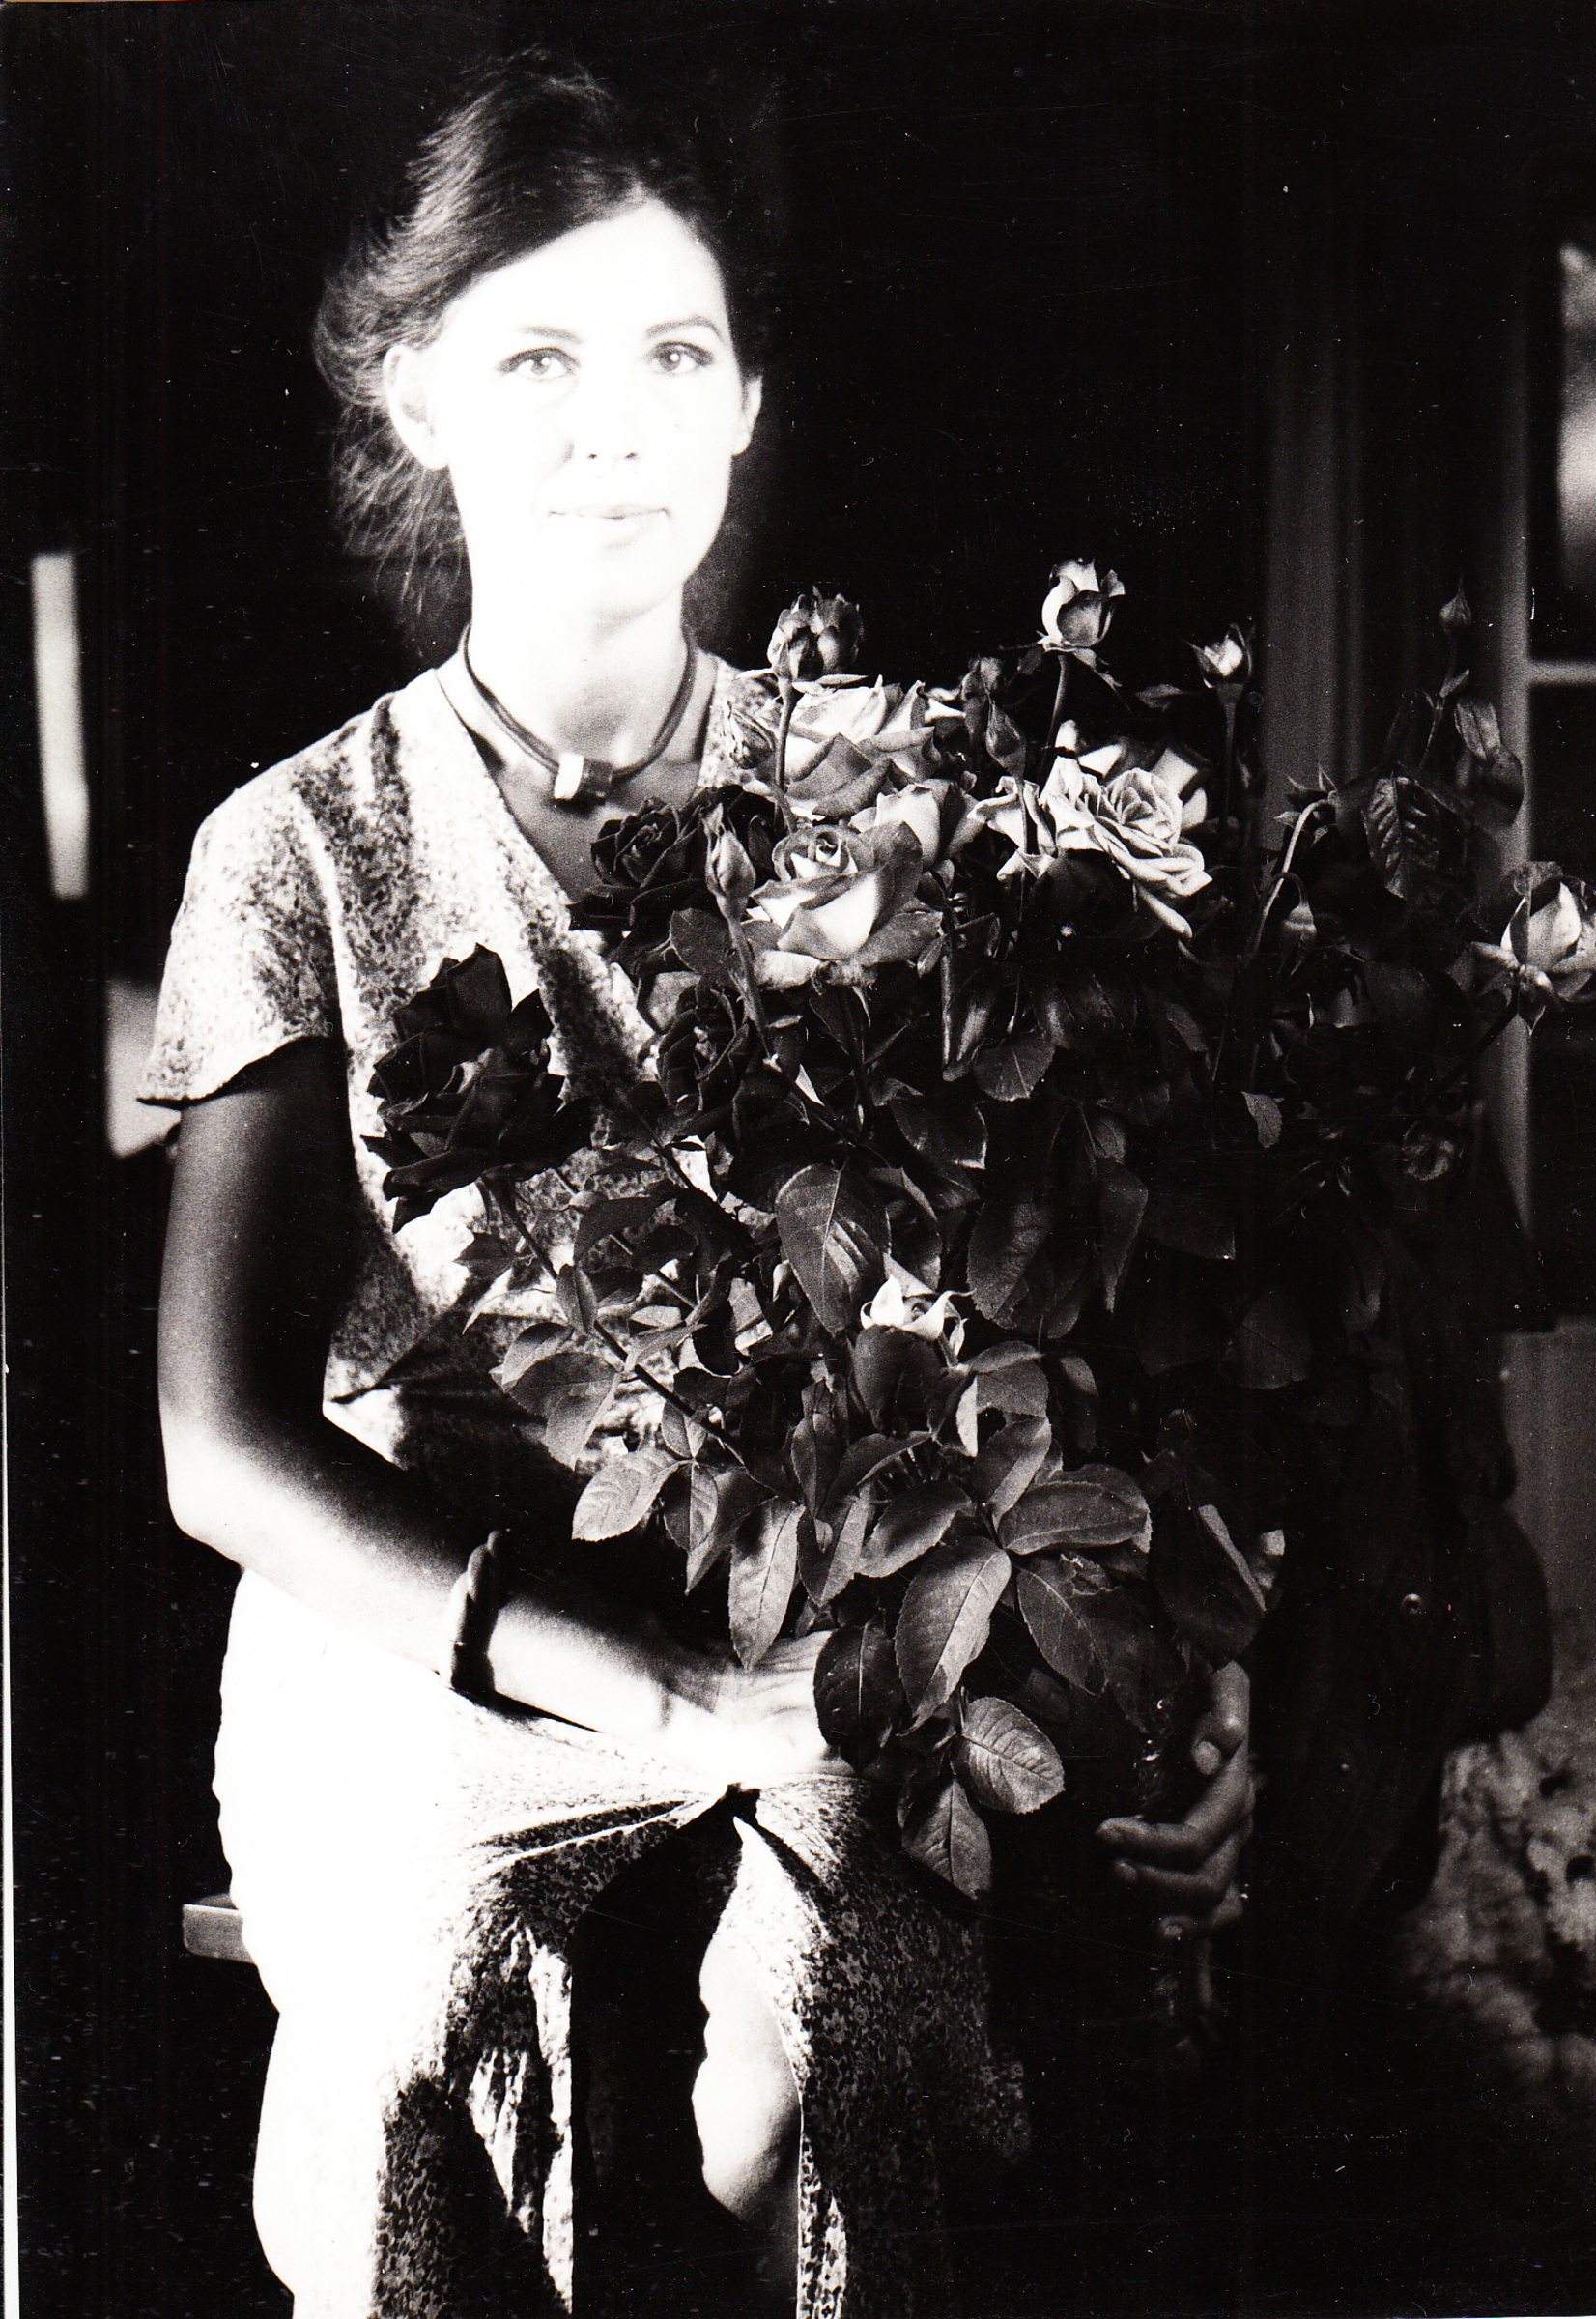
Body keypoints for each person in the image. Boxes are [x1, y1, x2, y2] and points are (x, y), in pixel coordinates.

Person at [142, 57, 1253, 2318]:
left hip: (819, 1604)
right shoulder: (299, 849)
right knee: (411, 2040)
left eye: (671, 356)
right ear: (417, 400)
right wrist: (631, 1689)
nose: (613, 427)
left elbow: (1066, 1319)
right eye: (535, 361)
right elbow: (217, 1441)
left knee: (844, 2040)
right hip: (425, 1624)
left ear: (742, 407)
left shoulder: (889, 800)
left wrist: (1174, 1678)